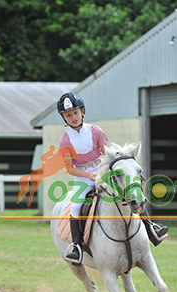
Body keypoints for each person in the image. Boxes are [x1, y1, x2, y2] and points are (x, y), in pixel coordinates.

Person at [57, 92, 168, 264]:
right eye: (68, 115)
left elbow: (108, 156)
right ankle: (77, 246)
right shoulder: (65, 140)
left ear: (82, 112)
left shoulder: (95, 131)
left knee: (131, 192)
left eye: (76, 113)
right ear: (64, 118)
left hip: (104, 172)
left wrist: (104, 173)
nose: (73, 117)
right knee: (76, 207)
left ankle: (151, 228)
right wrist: (88, 175)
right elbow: (69, 168)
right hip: (83, 178)